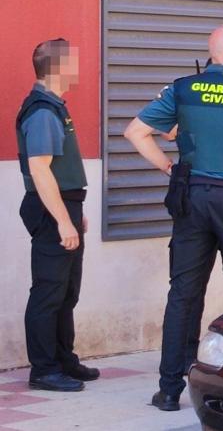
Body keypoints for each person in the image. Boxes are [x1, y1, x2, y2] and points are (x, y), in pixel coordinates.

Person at [124, 25, 223, 412]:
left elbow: (135, 133)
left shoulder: (182, 88)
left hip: (191, 199)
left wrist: (168, 167)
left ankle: (168, 390)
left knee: (183, 295)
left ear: (211, 55)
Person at [16, 38, 98, 393]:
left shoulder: (54, 106)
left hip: (63, 205)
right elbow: (40, 169)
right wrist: (63, 219)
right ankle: (44, 369)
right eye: (74, 61)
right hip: (52, 209)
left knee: (67, 291)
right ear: (59, 67)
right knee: (49, 292)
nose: (78, 67)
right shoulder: (42, 111)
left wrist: (72, 214)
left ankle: (64, 359)